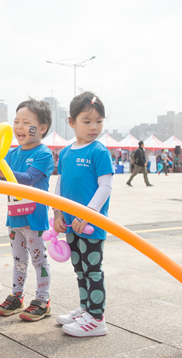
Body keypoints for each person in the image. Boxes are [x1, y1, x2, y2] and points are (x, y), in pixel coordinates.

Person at [0, 98, 54, 321]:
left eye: (26, 122)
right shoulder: (12, 153)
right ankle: (17, 296)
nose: (19, 127)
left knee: (39, 260)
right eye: (16, 121)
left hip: (34, 218)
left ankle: (42, 299)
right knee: (18, 260)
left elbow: (28, 179)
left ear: (42, 128)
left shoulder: (43, 154)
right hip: (14, 217)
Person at [53, 91, 113, 337]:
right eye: (86, 121)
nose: (93, 127)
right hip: (70, 224)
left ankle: (97, 317)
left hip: (90, 225)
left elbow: (105, 186)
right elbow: (60, 184)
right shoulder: (67, 153)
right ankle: (85, 308)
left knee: (93, 269)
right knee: (80, 269)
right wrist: (57, 212)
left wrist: (88, 215)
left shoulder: (99, 151)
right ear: (72, 122)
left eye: (98, 121)